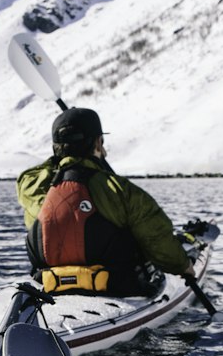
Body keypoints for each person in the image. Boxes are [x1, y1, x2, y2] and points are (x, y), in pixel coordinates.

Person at [17, 106, 190, 296]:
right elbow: (158, 240)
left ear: (55, 148)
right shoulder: (120, 190)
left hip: (49, 284)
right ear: (98, 143)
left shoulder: (33, 188)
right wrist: (184, 266)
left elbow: (32, 175)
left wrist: (64, 155)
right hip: (116, 287)